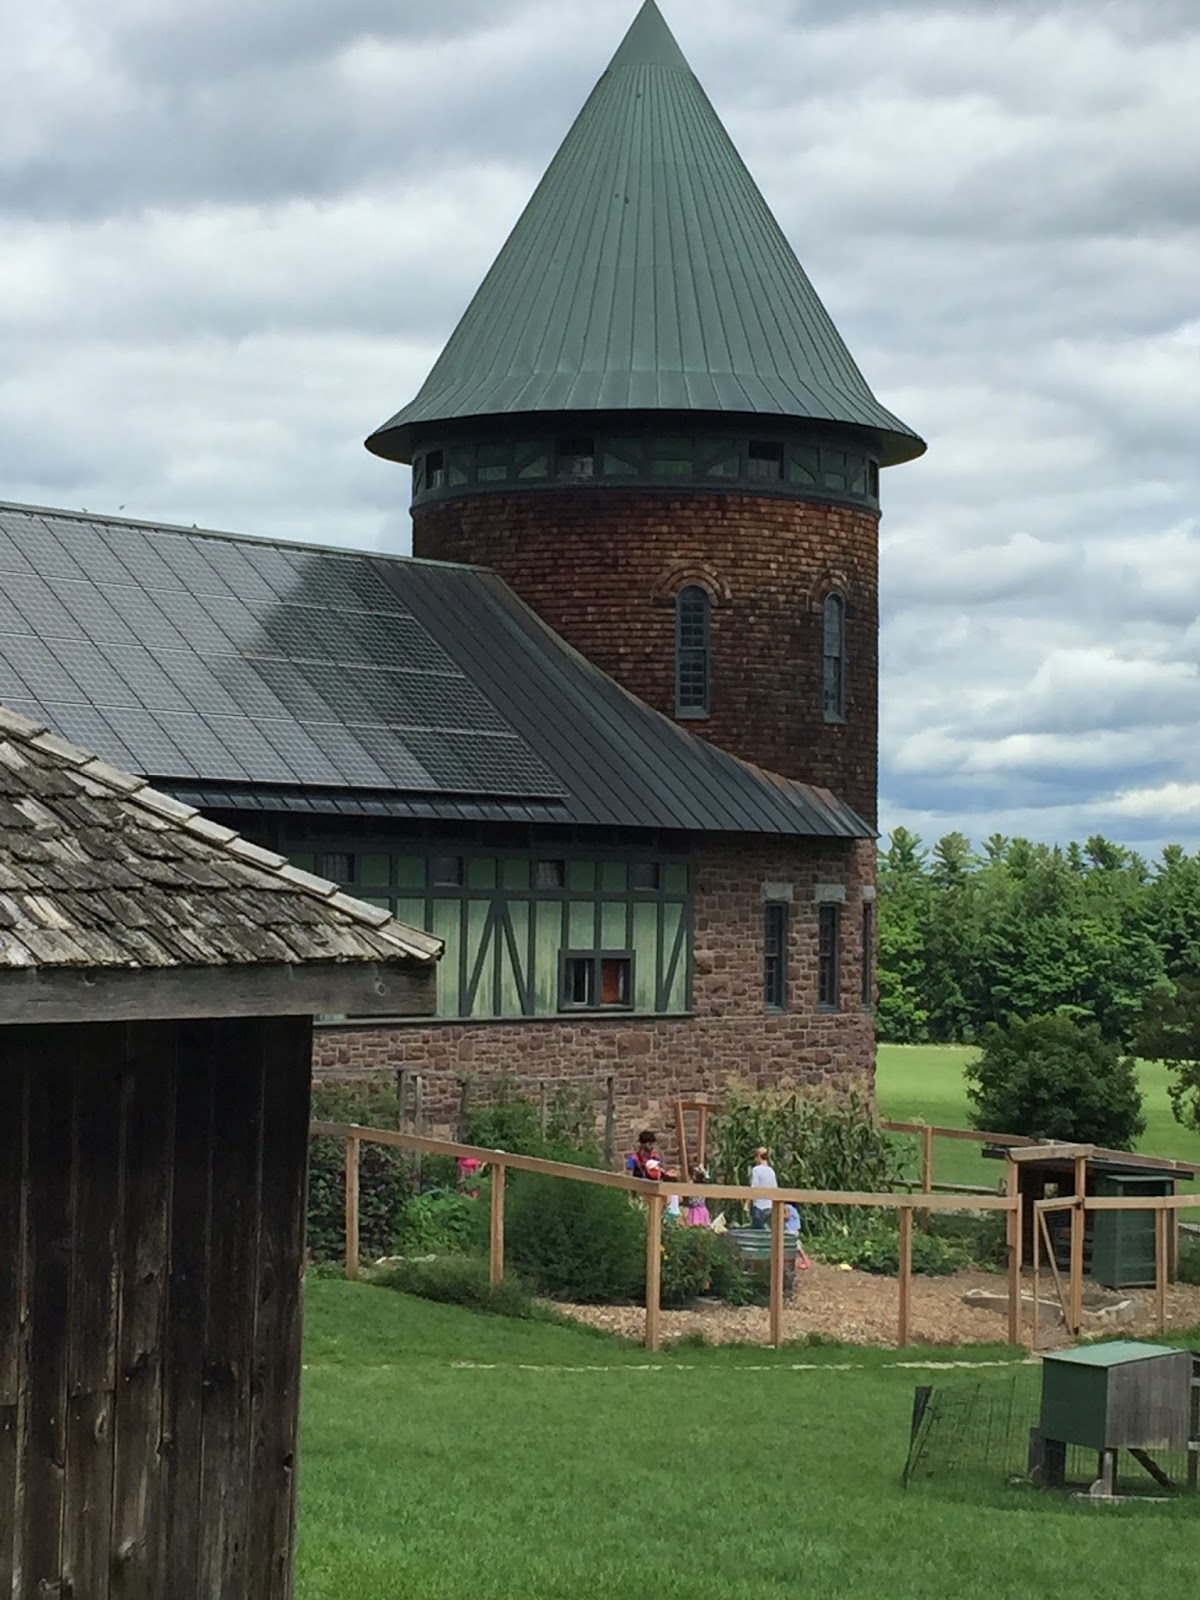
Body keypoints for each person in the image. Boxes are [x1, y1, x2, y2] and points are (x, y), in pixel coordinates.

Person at [750, 1146, 776, 1229]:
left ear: (758, 1156)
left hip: (758, 1205)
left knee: (757, 1230)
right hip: (769, 1206)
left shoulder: (756, 1170)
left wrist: (747, 1203)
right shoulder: (771, 1171)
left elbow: (754, 1187)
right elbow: (775, 1188)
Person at [783, 1202, 813, 1270]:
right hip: (794, 1230)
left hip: (790, 1230)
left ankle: (805, 1261)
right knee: (796, 1245)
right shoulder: (793, 1208)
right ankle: (805, 1260)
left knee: (795, 1246)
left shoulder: (787, 1207)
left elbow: (786, 1217)